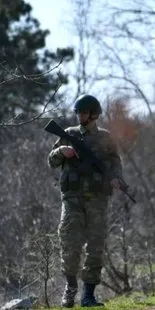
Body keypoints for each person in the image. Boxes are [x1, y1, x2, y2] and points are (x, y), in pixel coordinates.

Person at [47, 94, 124, 308]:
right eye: (78, 112)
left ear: (94, 114)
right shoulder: (68, 134)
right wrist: (62, 151)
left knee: (96, 246)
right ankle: (70, 290)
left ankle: (88, 295)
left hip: (98, 200)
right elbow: (51, 161)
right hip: (72, 199)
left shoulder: (106, 138)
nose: (80, 115)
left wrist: (117, 179)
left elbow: (116, 163)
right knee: (70, 244)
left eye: (84, 112)